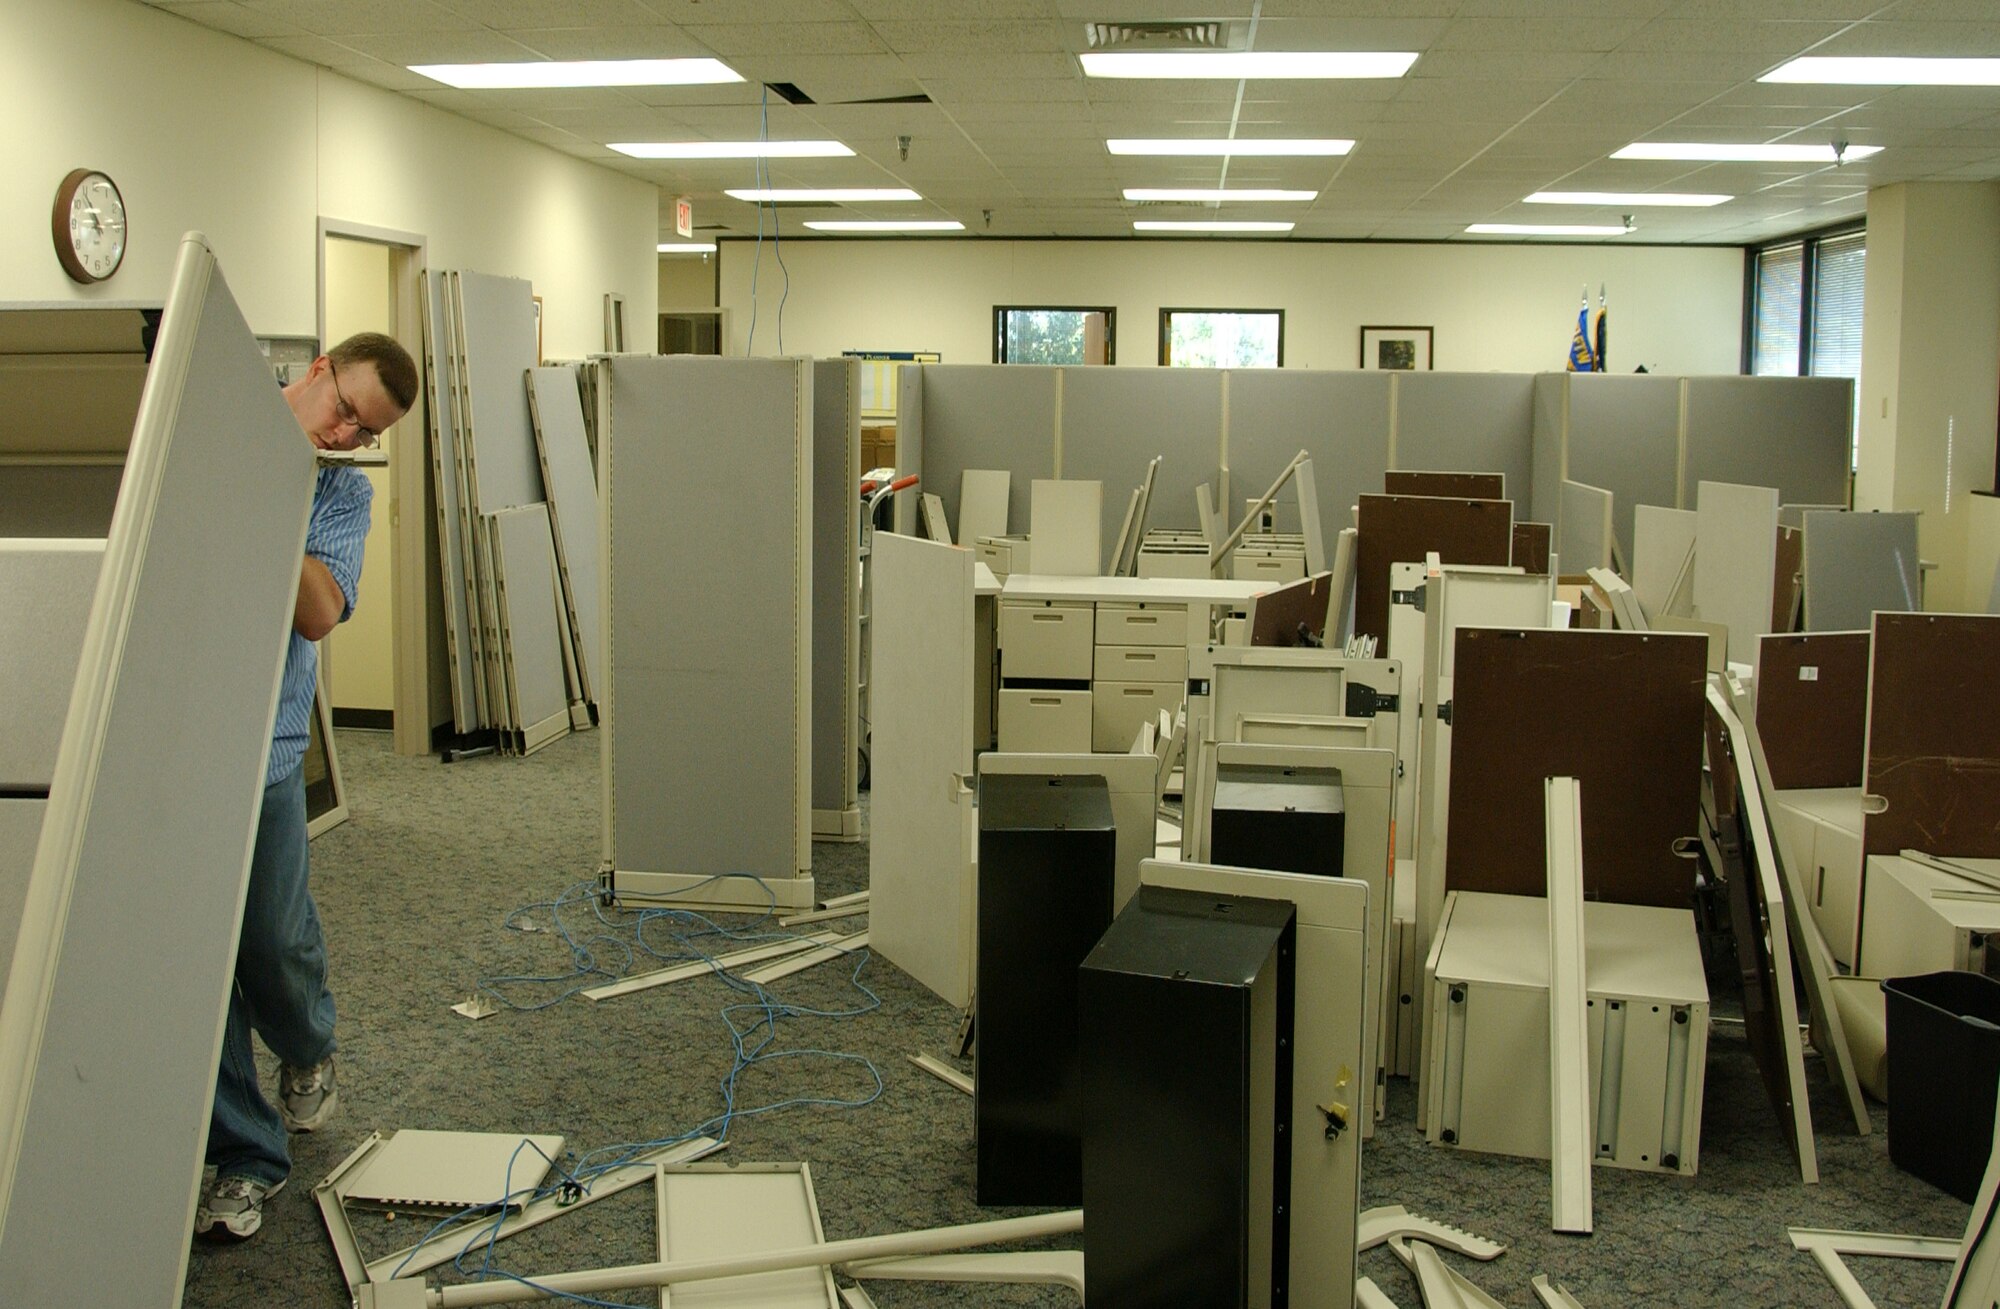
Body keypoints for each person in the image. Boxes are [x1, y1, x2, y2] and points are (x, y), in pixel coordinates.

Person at [194, 332, 418, 1241]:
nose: (344, 435)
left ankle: (309, 1044)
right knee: (195, 970)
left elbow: (320, 610)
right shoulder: (203, 446)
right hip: (177, 749)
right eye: (344, 410)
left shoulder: (338, 493)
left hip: (269, 751)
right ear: (318, 368)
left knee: (273, 947)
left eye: (364, 432)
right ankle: (246, 1155)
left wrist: (274, 490)